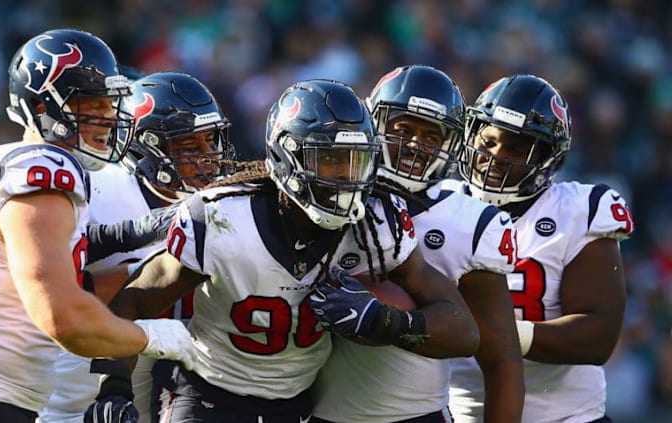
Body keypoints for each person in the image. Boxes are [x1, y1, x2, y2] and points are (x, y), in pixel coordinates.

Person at [86, 79, 479, 423]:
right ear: (287, 157)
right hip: (206, 391)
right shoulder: (222, 218)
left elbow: (463, 331)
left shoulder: (378, 222)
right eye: (328, 159)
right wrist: (113, 385)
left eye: (356, 161)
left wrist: (385, 322)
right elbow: (135, 300)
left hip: (294, 403)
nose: (345, 178)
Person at [0, 29, 195, 423]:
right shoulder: (43, 171)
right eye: (92, 104)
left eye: (110, 104)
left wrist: (141, 229)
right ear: (44, 106)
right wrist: (158, 338)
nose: (107, 118)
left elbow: (62, 247)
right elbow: (64, 318)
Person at [310, 65, 524, 423]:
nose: (414, 144)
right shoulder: (320, 193)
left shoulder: (471, 221)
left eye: (431, 135)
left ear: (451, 143)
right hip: (309, 409)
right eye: (403, 129)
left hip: (415, 415)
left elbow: (500, 356)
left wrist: (389, 321)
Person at [39, 71, 235, 423]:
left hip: (169, 397)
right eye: (190, 146)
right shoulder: (93, 190)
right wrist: (139, 280)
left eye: (212, 141)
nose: (210, 158)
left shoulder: (226, 205)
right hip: (79, 392)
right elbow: (45, 293)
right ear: (143, 147)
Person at [448, 74, 634, 422]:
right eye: (488, 141)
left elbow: (599, 335)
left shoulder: (578, 209)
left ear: (549, 157)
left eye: (517, 147)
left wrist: (498, 333)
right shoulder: (442, 204)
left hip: (565, 417)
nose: (496, 156)